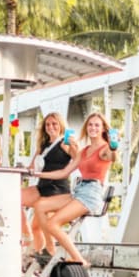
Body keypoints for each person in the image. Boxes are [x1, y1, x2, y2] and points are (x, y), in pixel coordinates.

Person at [32, 112, 117, 267]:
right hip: (79, 190)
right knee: (40, 205)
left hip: (91, 194)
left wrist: (113, 146)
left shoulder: (104, 148)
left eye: (97, 125)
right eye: (90, 125)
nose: (93, 128)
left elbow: (111, 156)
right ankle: (49, 249)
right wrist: (37, 173)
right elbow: (64, 172)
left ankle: (79, 259)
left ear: (103, 128)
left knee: (52, 224)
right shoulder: (84, 151)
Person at [20, 112, 76, 254]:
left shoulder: (64, 143)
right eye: (48, 124)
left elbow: (77, 159)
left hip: (57, 189)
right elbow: (32, 167)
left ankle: (49, 250)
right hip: (42, 187)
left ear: (60, 125)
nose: (51, 127)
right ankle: (34, 245)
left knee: (40, 224)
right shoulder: (43, 146)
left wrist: (74, 146)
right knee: (16, 197)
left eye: (54, 124)